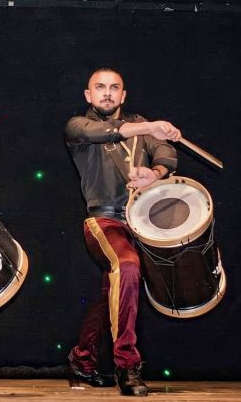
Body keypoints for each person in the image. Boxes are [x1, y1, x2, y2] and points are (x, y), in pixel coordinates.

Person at [64, 67, 180, 397]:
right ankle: (126, 365)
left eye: (115, 87)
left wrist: (154, 173)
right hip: (103, 222)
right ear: (88, 95)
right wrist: (149, 126)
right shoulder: (78, 127)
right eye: (100, 87)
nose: (107, 92)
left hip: (141, 224)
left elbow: (167, 153)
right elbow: (108, 133)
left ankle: (82, 359)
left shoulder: (141, 125)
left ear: (123, 95)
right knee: (127, 266)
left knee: (113, 291)